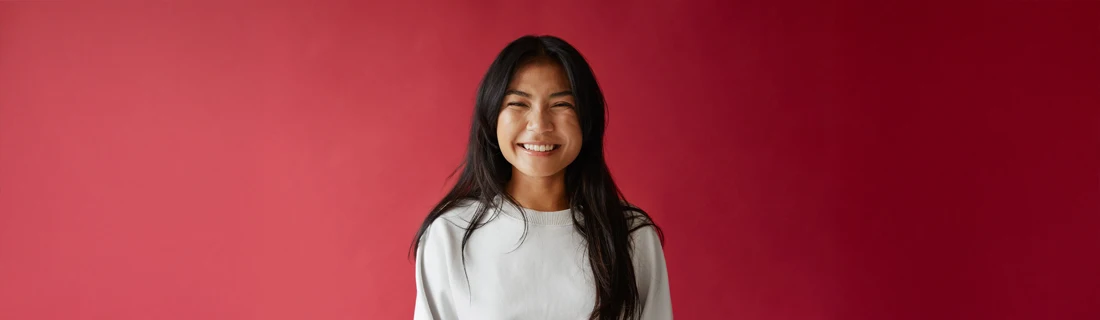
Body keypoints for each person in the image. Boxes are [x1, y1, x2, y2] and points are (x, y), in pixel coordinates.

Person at [411, 35, 672, 320]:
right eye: (519, 103)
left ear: (587, 120)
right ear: (492, 116)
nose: (539, 125)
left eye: (561, 105)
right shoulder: (450, 234)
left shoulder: (632, 237)